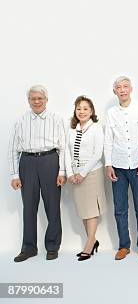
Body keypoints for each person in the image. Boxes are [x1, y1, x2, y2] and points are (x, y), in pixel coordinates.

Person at [10, 85, 66, 262]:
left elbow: (64, 147)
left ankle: (52, 246)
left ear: (46, 100)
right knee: (29, 207)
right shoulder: (20, 121)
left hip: (50, 161)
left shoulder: (56, 119)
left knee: (52, 206)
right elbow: (12, 150)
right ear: (28, 101)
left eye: (40, 98)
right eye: (33, 98)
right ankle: (28, 248)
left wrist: (62, 171)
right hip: (27, 163)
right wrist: (14, 175)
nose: (36, 101)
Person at [104, 76, 138, 260]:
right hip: (118, 165)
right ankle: (123, 245)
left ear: (131, 89)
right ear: (114, 91)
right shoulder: (111, 113)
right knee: (120, 207)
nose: (122, 90)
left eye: (125, 86)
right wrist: (108, 164)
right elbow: (108, 139)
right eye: (118, 87)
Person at [65, 95, 106, 261]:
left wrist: (82, 173)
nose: (81, 111)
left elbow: (97, 153)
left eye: (85, 108)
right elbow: (66, 151)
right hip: (75, 176)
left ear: (91, 111)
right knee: (83, 210)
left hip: (91, 173)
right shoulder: (71, 129)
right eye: (78, 108)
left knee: (91, 210)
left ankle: (89, 243)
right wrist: (70, 173)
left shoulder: (96, 128)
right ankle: (93, 240)